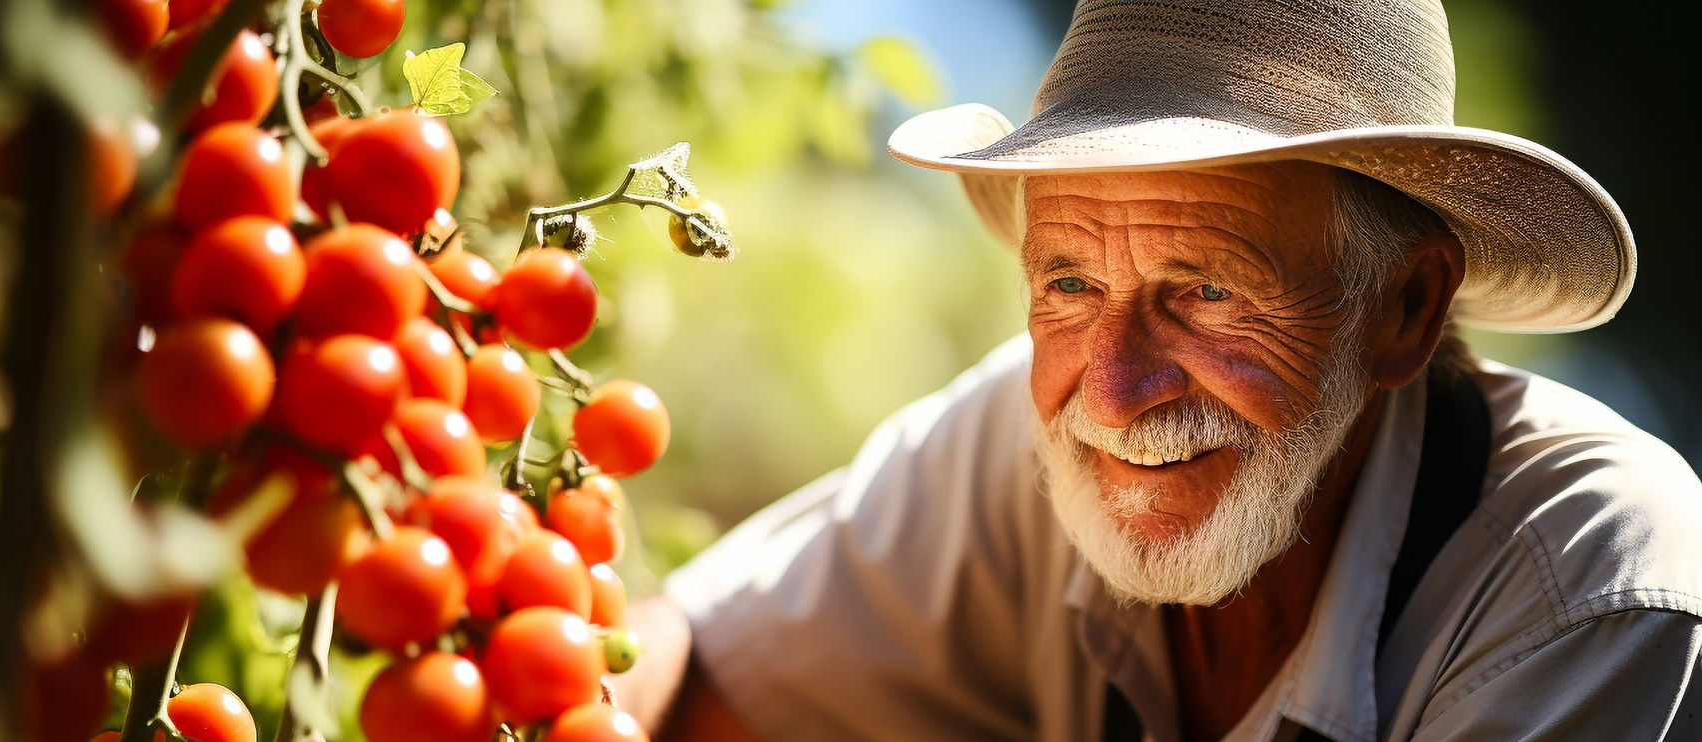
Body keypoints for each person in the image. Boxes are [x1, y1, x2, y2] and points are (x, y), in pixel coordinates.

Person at [615, 0, 1702, 739]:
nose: (1110, 392)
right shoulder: (1018, 443)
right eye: (1069, 286)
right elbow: (688, 670)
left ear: (1403, 310)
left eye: (1206, 292)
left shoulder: (1586, 581)